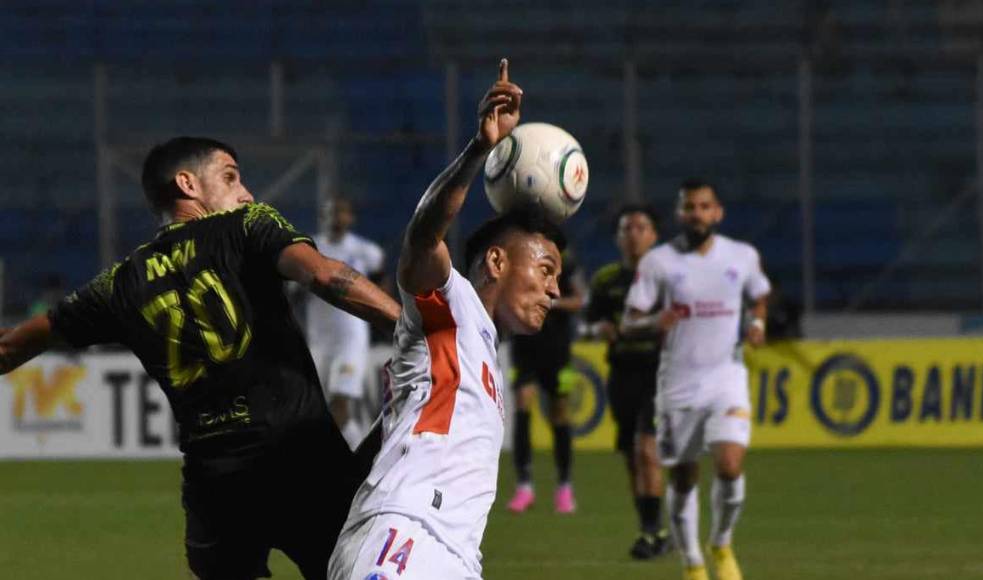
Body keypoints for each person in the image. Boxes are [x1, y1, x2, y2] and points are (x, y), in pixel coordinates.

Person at [0, 136, 401, 580]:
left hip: (215, 488)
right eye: (230, 176)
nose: (245, 192)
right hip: (300, 462)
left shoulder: (119, 284)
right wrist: (412, 329)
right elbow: (325, 275)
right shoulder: (246, 225)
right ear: (187, 184)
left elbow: (10, 348)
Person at [329, 59, 564, 580]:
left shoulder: (482, 352)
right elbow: (422, 239)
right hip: (405, 538)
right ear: (497, 262)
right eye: (546, 270)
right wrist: (480, 149)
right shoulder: (451, 303)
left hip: (453, 554)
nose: (555, 289)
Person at [623, 180, 770, 580]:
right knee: (684, 477)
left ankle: (721, 544)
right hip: (679, 386)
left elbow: (759, 294)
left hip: (728, 378)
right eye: (690, 207)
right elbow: (629, 320)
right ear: (679, 214)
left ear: (717, 212)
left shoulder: (741, 256)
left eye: (705, 207)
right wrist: (656, 320)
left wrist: (757, 321)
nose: (698, 214)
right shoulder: (659, 262)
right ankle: (692, 564)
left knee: (729, 463)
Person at [585, 204, 669, 558]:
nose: (633, 234)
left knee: (647, 450)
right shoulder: (606, 280)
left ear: (654, 236)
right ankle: (654, 528)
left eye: (641, 227)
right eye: (626, 228)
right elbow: (587, 323)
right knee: (632, 458)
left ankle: (651, 532)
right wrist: (597, 328)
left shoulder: (668, 278)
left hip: (659, 373)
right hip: (622, 372)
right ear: (619, 238)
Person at [506, 242, 585, 514]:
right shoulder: (518, 256)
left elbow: (579, 300)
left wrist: (552, 302)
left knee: (560, 414)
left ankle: (564, 486)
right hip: (525, 345)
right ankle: (524, 486)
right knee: (522, 403)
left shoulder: (566, 259)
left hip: (557, 348)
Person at [306, 196, 386, 446]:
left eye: (341, 212)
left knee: (340, 402)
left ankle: (353, 465)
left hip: (351, 339)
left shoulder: (365, 252)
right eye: (330, 212)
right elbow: (294, 291)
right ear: (322, 217)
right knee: (324, 410)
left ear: (350, 218)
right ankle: (362, 453)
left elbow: (380, 287)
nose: (335, 217)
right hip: (318, 340)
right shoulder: (310, 249)